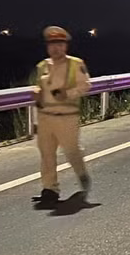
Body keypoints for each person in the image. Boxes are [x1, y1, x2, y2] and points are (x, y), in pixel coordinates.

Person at [32, 26, 93, 208]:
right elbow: (38, 85)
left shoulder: (76, 64)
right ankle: (50, 190)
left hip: (67, 117)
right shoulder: (42, 65)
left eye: (59, 44)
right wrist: (36, 91)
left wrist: (68, 94)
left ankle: (81, 173)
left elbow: (86, 86)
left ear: (65, 46)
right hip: (45, 117)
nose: (55, 48)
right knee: (47, 155)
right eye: (52, 44)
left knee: (71, 151)